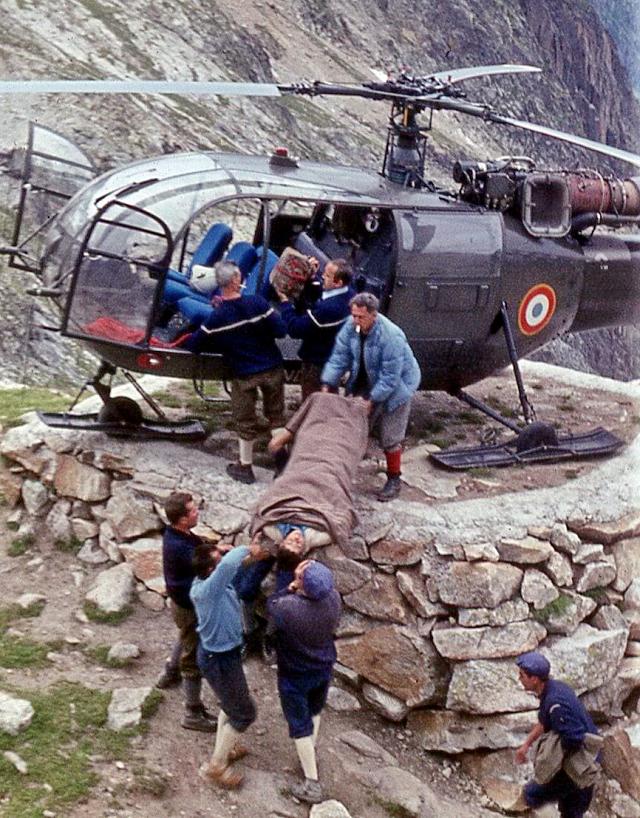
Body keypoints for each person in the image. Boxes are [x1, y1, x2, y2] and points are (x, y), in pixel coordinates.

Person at [186, 260, 287, 485]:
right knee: (276, 416)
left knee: (245, 419)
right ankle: (283, 465)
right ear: (236, 280)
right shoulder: (258, 303)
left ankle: (245, 467)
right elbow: (280, 331)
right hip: (272, 367)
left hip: (244, 374)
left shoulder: (216, 318)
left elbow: (195, 345)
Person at [321, 292, 421, 501]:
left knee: (390, 436)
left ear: (373, 315)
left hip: (397, 387)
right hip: (366, 378)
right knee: (351, 428)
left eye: (360, 317)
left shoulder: (391, 336)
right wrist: (327, 383)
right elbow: (340, 356)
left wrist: (371, 400)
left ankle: (394, 478)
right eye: (354, 315)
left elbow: (390, 378)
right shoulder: (352, 325)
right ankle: (343, 473)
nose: (355, 320)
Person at [190, 537, 269, 789]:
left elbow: (231, 565)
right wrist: (247, 549)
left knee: (230, 704)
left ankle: (226, 748)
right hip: (218, 660)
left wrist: (239, 553)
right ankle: (216, 766)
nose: (224, 559)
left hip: (227, 655)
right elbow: (230, 564)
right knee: (245, 713)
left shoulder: (215, 582)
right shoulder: (207, 590)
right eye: (218, 559)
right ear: (212, 570)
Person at [250, 390, 369, 548]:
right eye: (298, 546)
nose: (296, 541)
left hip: (303, 462)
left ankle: (328, 398)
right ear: (303, 550)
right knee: (348, 426)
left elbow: (262, 511)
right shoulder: (317, 537)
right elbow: (341, 524)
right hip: (329, 469)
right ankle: (356, 410)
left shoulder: (273, 529)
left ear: (282, 542)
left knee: (318, 399)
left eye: (291, 543)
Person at [267, 560, 341, 804]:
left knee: (299, 724)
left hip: (295, 674)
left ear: (303, 586)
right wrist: (300, 582)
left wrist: (289, 588)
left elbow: (271, 606)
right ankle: (309, 752)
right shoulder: (334, 599)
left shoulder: (287, 608)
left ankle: (312, 783)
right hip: (323, 667)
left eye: (300, 575)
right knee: (315, 710)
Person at [156, 492, 215, 733]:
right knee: (192, 656)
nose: (196, 512)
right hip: (188, 607)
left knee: (185, 637)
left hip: (182, 603)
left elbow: (199, 547)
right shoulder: (180, 547)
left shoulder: (178, 534)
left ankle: (169, 674)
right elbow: (207, 566)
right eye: (192, 511)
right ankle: (192, 711)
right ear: (181, 519)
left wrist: (214, 547)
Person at [515, 651, 600, 818]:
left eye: (522, 675)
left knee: (533, 794)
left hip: (581, 765)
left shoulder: (556, 703)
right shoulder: (553, 689)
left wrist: (552, 761)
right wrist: (526, 745)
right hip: (582, 760)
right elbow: (544, 721)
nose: (519, 679)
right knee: (569, 810)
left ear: (535, 679)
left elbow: (573, 739)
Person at [277, 258, 353, 400]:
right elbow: (323, 293)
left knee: (314, 400)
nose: (322, 277)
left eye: (327, 276)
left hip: (317, 364)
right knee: (329, 396)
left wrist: (285, 303)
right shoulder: (349, 294)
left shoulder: (330, 309)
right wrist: (313, 277)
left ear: (338, 283)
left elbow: (295, 329)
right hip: (332, 359)